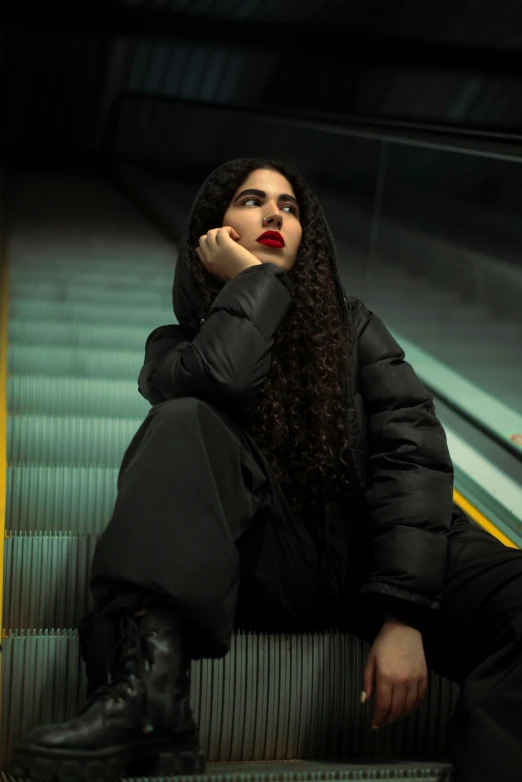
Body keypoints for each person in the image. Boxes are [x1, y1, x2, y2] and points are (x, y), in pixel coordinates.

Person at [9, 158, 522, 782]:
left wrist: (404, 612)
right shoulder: (174, 348)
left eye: (289, 207)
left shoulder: (353, 325)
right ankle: (148, 697)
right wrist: (257, 282)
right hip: (265, 564)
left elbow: (411, 451)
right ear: (213, 232)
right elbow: (222, 379)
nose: (275, 213)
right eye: (252, 201)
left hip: (373, 554)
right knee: (184, 421)